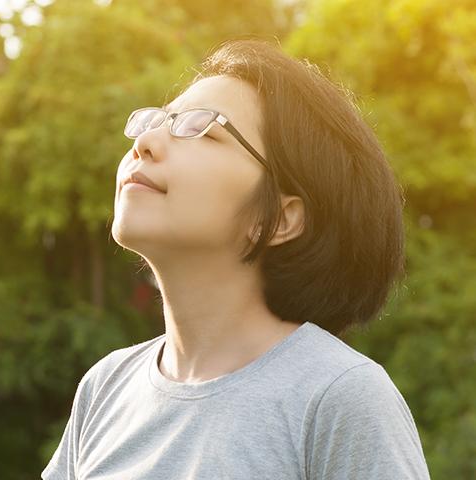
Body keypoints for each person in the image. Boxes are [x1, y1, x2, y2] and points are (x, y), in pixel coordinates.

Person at [41, 39, 431, 479]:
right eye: (157, 120)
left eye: (202, 129)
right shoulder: (106, 387)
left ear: (280, 219)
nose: (145, 142)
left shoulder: (338, 396)